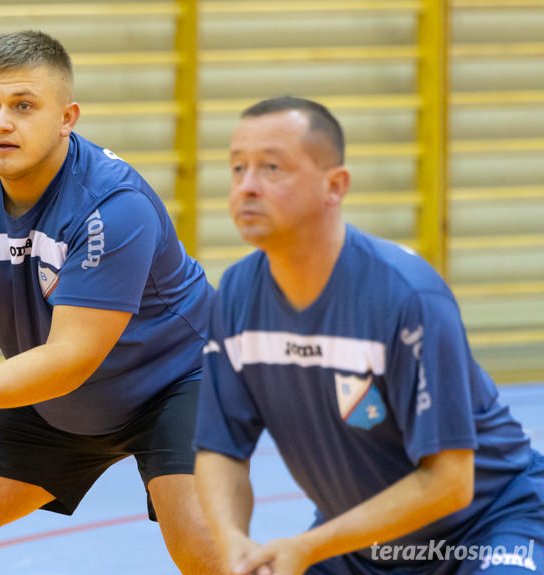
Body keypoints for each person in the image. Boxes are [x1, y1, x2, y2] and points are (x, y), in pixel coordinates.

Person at [0, 30, 221, 575]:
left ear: (68, 117)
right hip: (57, 395)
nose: (0, 122)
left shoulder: (113, 205)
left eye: (23, 106)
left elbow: (73, 356)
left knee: (206, 547)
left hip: (182, 381)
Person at [192, 96, 544, 575]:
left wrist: (310, 546)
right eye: (237, 168)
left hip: (486, 525)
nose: (247, 187)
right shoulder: (236, 295)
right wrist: (232, 542)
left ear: (335, 186)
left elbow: (450, 482)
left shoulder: (408, 296)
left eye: (272, 168)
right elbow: (222, 450)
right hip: (362, 545)